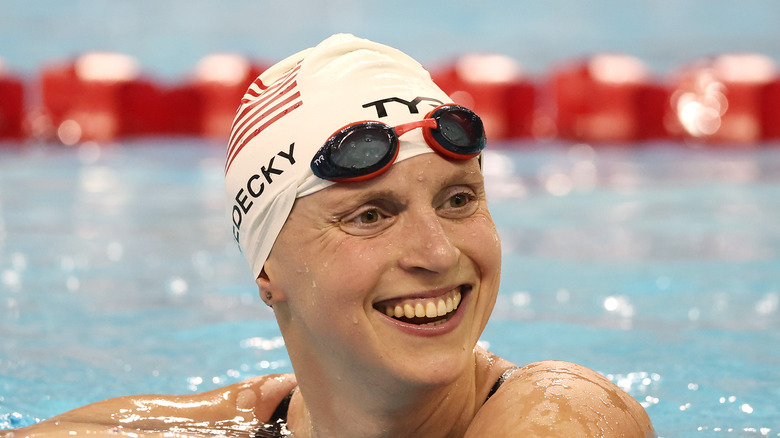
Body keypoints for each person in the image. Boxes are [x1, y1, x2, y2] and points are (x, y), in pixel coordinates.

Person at [2, 34, 655, 438]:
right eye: (371, 214)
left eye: (459, 201)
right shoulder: (241, 422)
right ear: (267, 271)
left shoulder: (569, 412)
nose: (437, 253)